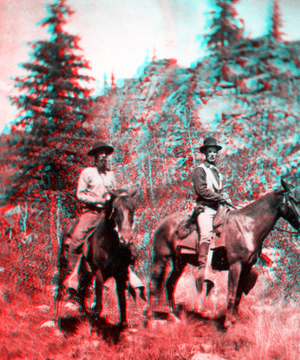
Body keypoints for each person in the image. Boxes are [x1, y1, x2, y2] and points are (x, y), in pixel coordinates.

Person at [64, 141, 145, 301]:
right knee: (76, 239)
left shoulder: (111, 174)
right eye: (100, 153)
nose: (103, 156)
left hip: (108, 213)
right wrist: (97, 201)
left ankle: (128, 270)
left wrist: (121, 195)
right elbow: (80, 194)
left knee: (126, 235)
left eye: (105, 154)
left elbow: (114, 193)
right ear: (94, 156)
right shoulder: (87, 172)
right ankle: (71, 281)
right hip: (91, 212)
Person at [192, 136, 231, 293]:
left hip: (219, 209)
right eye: (210, 152)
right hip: (206, 209)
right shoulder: (200, 170)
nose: (213, 154)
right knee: (207, 235)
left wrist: (225, 198)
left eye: (215, 152)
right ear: (205, 153)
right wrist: (220, 197)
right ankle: (202, 269)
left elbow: (219, 191)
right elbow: (202, 191)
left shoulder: (217, 172)